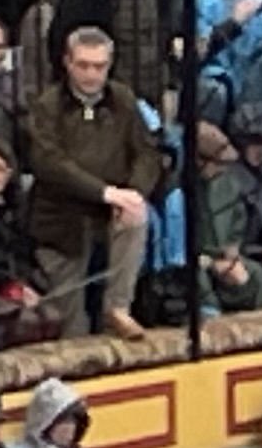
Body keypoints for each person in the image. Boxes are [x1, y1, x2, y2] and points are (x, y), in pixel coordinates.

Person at [22, 25, 164, 341]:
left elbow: (146, 153)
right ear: (67, 63)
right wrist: (105, 193)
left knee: (137, 215)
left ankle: (118, 307)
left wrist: (133, 192)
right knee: (70, 325)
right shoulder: (48, 105)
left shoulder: (122, 99)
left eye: (99, 66)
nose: (91, 74)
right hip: (62, 220)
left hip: (112, 211)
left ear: (109, 65)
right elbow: (50, 164)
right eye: (83, 65)